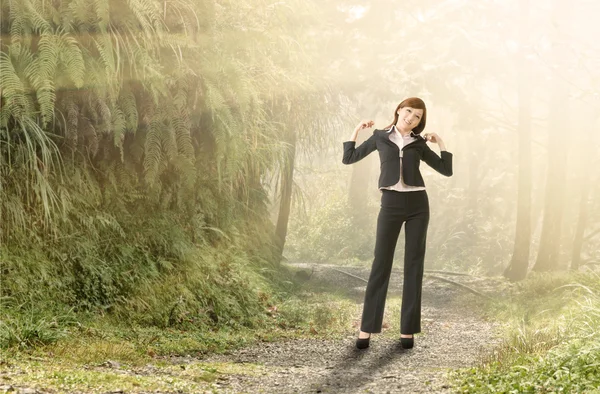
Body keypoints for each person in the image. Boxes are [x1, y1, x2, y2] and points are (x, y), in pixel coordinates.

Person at [341, 97, 453, 350]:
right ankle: (366, 328)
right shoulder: (380, 137)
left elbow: (446, 169)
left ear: (419, 122)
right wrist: (357, 129)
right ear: (399, 110)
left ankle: (407, 330)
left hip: (417, 205)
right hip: (390, 203)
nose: (411, 118)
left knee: (414, 265)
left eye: (417, 117)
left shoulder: (419, 143)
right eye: (408, 112)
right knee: (381, 263)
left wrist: (441, 142)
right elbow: (349, 157)